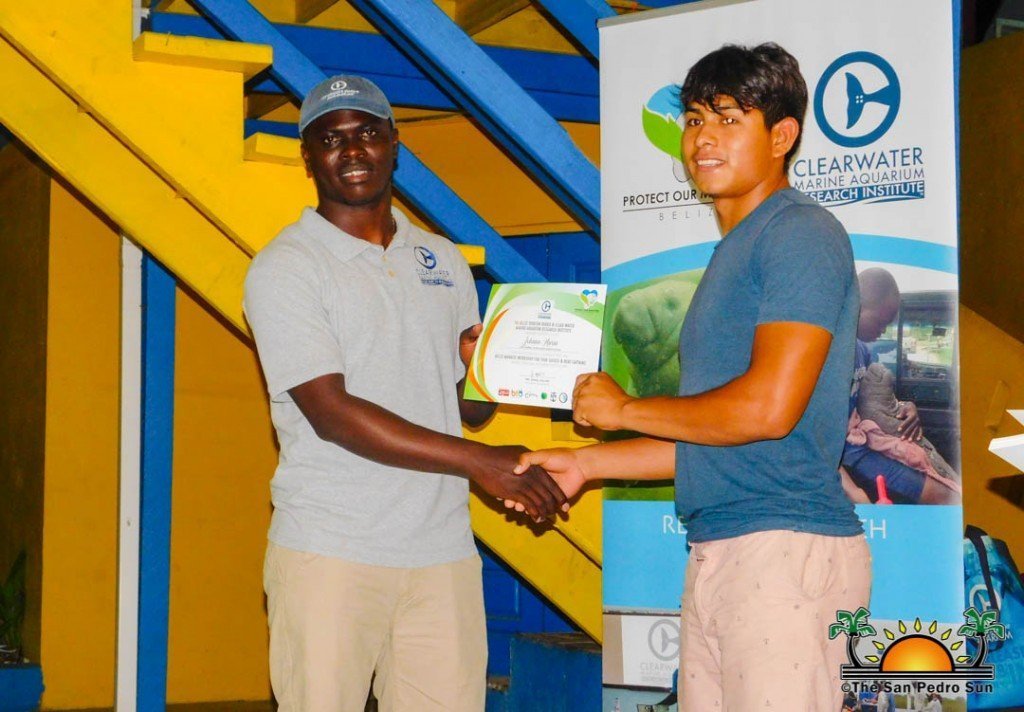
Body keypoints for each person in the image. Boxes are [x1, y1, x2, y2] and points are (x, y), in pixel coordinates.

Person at [515, 43, 871, 711]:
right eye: (695, 119)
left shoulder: (800, 233)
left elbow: (766, 409)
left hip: (783, 551)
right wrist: (586, 464)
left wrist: (624, 409)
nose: (704, 138)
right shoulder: (736, 249)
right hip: (723, 548)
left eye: (730, 120)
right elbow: (713, 435)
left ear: (781, 137)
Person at [243, 74, 566, 712]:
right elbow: (332, 413)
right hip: (331, 549)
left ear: (395, 144)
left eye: (367, 132)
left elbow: (466, 409)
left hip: (441, 550)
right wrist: (481, 463)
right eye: (330, 138)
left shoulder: (442, 259)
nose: (352, 149)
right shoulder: (287, 267)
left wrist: (486, 367)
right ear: (308, 157)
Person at [840, 268, 959, 504]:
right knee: (942, 496)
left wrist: (905, 406)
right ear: (856, 306)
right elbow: (815, 435)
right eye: (880, 322)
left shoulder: (862, 352)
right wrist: (853, 492)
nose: (883, 330)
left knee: (947, 489)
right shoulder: (832, 354)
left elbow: (874, 396)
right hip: (848, 454)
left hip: (865, 444)